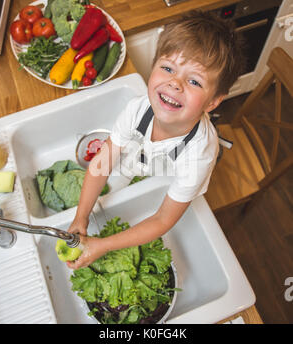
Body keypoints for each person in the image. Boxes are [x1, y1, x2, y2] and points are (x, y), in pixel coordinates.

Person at [67, 11, 245, 269]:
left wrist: (102, 245)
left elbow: (162, 219)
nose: (175, 84)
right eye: (168, 68)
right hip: (136, 166)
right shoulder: (137, 109)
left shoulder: (199, 155)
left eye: (194, 81)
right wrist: (81, 215)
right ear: (153, 66)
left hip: (168, 182)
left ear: (214, 102)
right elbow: (102, 163)